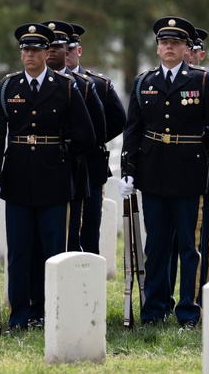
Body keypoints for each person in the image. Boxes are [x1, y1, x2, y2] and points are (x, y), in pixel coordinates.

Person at [119, 16, 209, 328]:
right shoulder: (144, 83)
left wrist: (196, 146)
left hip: (190, 174)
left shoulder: (202, 81)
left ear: (186, 48)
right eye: (163, 42)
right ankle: (154, 309)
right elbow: (133, 129)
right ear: (157, 48)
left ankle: (190, 311)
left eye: (176, 43)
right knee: (156, 245)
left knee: (190, 247)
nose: (169, 47)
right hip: (153, 173)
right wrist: (128, 169)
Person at [0, 23, 96, 332]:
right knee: (19, 252)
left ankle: (53, 312)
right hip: (18, 177)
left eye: (35, 49)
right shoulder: (9, 87)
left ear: (48, 53)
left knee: (54, 250)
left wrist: (61, 154)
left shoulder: (66, 87)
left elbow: (86, 135)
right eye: (24, 49)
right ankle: (19, 314)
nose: (29, 54)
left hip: (55, 179)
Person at [59, 21, 126, 255]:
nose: (64, 55)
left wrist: (92, 139)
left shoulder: (97, 83)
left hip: (91, 162)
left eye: (69, 50)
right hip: (56, 161)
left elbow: (118, 120)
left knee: (89, 224)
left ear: (79, 51)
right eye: (60, 49)